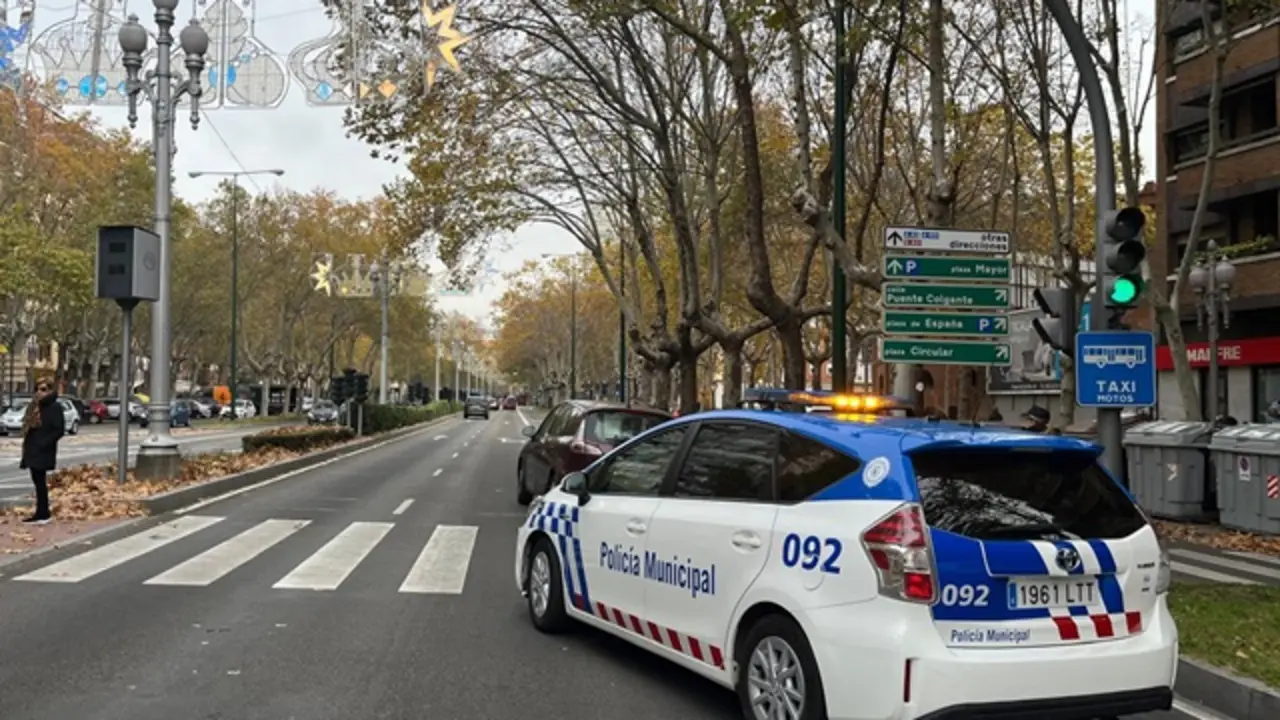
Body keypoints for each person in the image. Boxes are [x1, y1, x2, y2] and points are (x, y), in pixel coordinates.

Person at [19, 378, 65, 524]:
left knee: (40, 481)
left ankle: (44, 513)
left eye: (44, 389)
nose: (40, 392)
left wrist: (43, 443)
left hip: (43, 449)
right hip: (32, 448)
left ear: (50, 390)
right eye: (38, 389)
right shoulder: (34, 406)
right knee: (37, 480)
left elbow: (59, 430)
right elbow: (28, 425)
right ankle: (41, 512)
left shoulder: (54, 407)